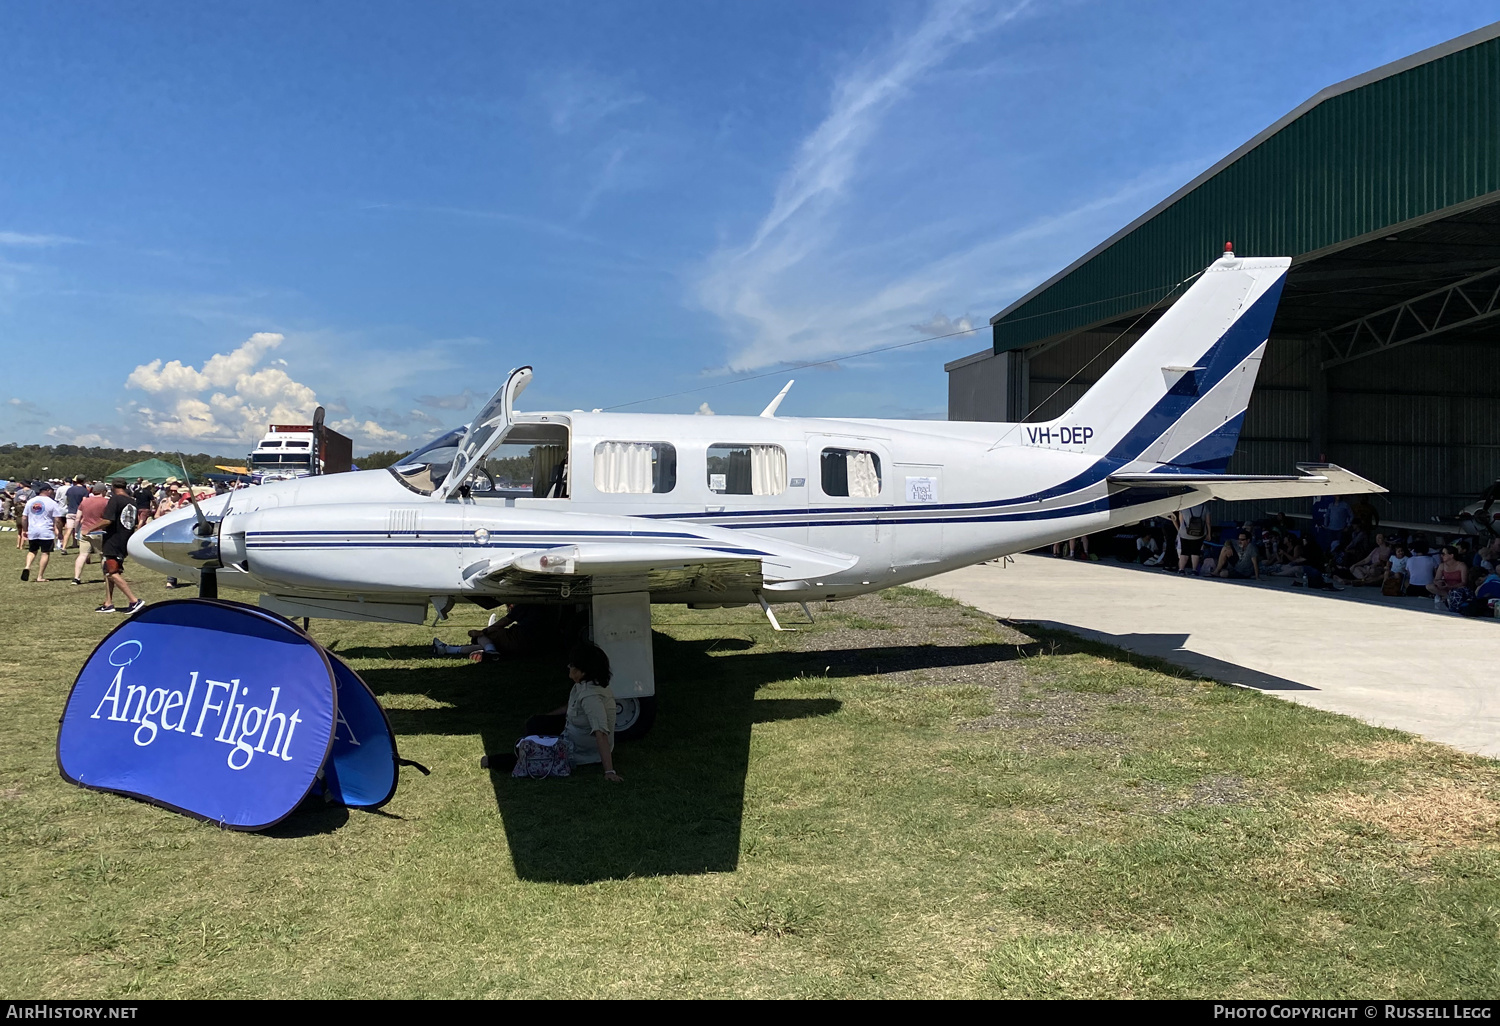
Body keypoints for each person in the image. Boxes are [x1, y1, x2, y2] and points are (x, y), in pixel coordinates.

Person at [481, 642, 622, 782]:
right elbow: (571, 707)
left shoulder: (591, 697)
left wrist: (609, 771)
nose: (569, 668)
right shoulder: (583, 685)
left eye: (572, 665)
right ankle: (528, 747)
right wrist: (546, 718)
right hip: (571, 729)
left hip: (579, 748)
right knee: (535, 722)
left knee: (537, 756)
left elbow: (601, 733)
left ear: (582, 671)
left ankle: (495, 761)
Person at [433, 604, 555, 662]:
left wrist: (482, 631)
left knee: (485, 636)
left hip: (523, 640)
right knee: (487, 644)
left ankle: (491, 651)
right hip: (539, 643)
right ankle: (448, 649)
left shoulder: (525, 602)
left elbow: (506, 621)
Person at [97, 479, 144, 614]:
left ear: (112, 487)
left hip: (113, 540)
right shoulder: (132, 501)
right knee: (109, 572)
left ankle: (134, 601)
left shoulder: (115, 500)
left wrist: (89, 528)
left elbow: (107, 520)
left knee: (111, 572)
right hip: (125, 539)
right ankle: (108, 603)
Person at [20, 482, 64, 582]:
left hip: (33, 530)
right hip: (46, 531)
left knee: (32, 551)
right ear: (47, 491)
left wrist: (25, 529)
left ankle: (27, 566)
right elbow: (57, 519)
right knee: (45, 553)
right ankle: (40, 576)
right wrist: (60, 532)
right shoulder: (52, 503)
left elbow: (24, 517)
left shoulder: (30, 501)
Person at [73, 483, 109, 585]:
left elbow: (77, 518)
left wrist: (76, 531)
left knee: (82, 555)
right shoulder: (106, 502)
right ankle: (106, 577)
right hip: (99, 531)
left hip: (84, 531)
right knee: (103, 555)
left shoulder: (85, 502)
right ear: (103, 491)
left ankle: (76, 578)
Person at [1171, 502, 1210, 574]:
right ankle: (1194, 570)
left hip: (1185, 533)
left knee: (1184, 552)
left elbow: (1181, 521)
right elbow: (1208, 522)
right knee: (1196, 552)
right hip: (1199, 534)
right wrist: (1209, 534)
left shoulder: (1184, 507)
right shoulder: (1204, 507)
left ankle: (1181, 569)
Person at [60, 475, 87, 553]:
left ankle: (64, 547)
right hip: (80, 512)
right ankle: (83, 547)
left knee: (68, 530)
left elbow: (67, 500)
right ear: (84, 481)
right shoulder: (84, 491)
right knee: (81, 530)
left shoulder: (70, 490)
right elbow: (84, 502)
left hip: (70, 511)